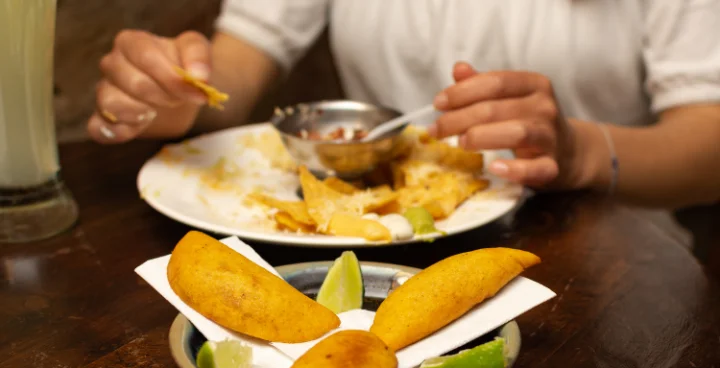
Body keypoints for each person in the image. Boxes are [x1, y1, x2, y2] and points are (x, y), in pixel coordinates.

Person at [88, 0, 720, 208]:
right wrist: (176, 92)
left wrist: (581, 151)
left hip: (610, 268)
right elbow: (234, 72)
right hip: (370, 253)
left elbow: (708, 139)